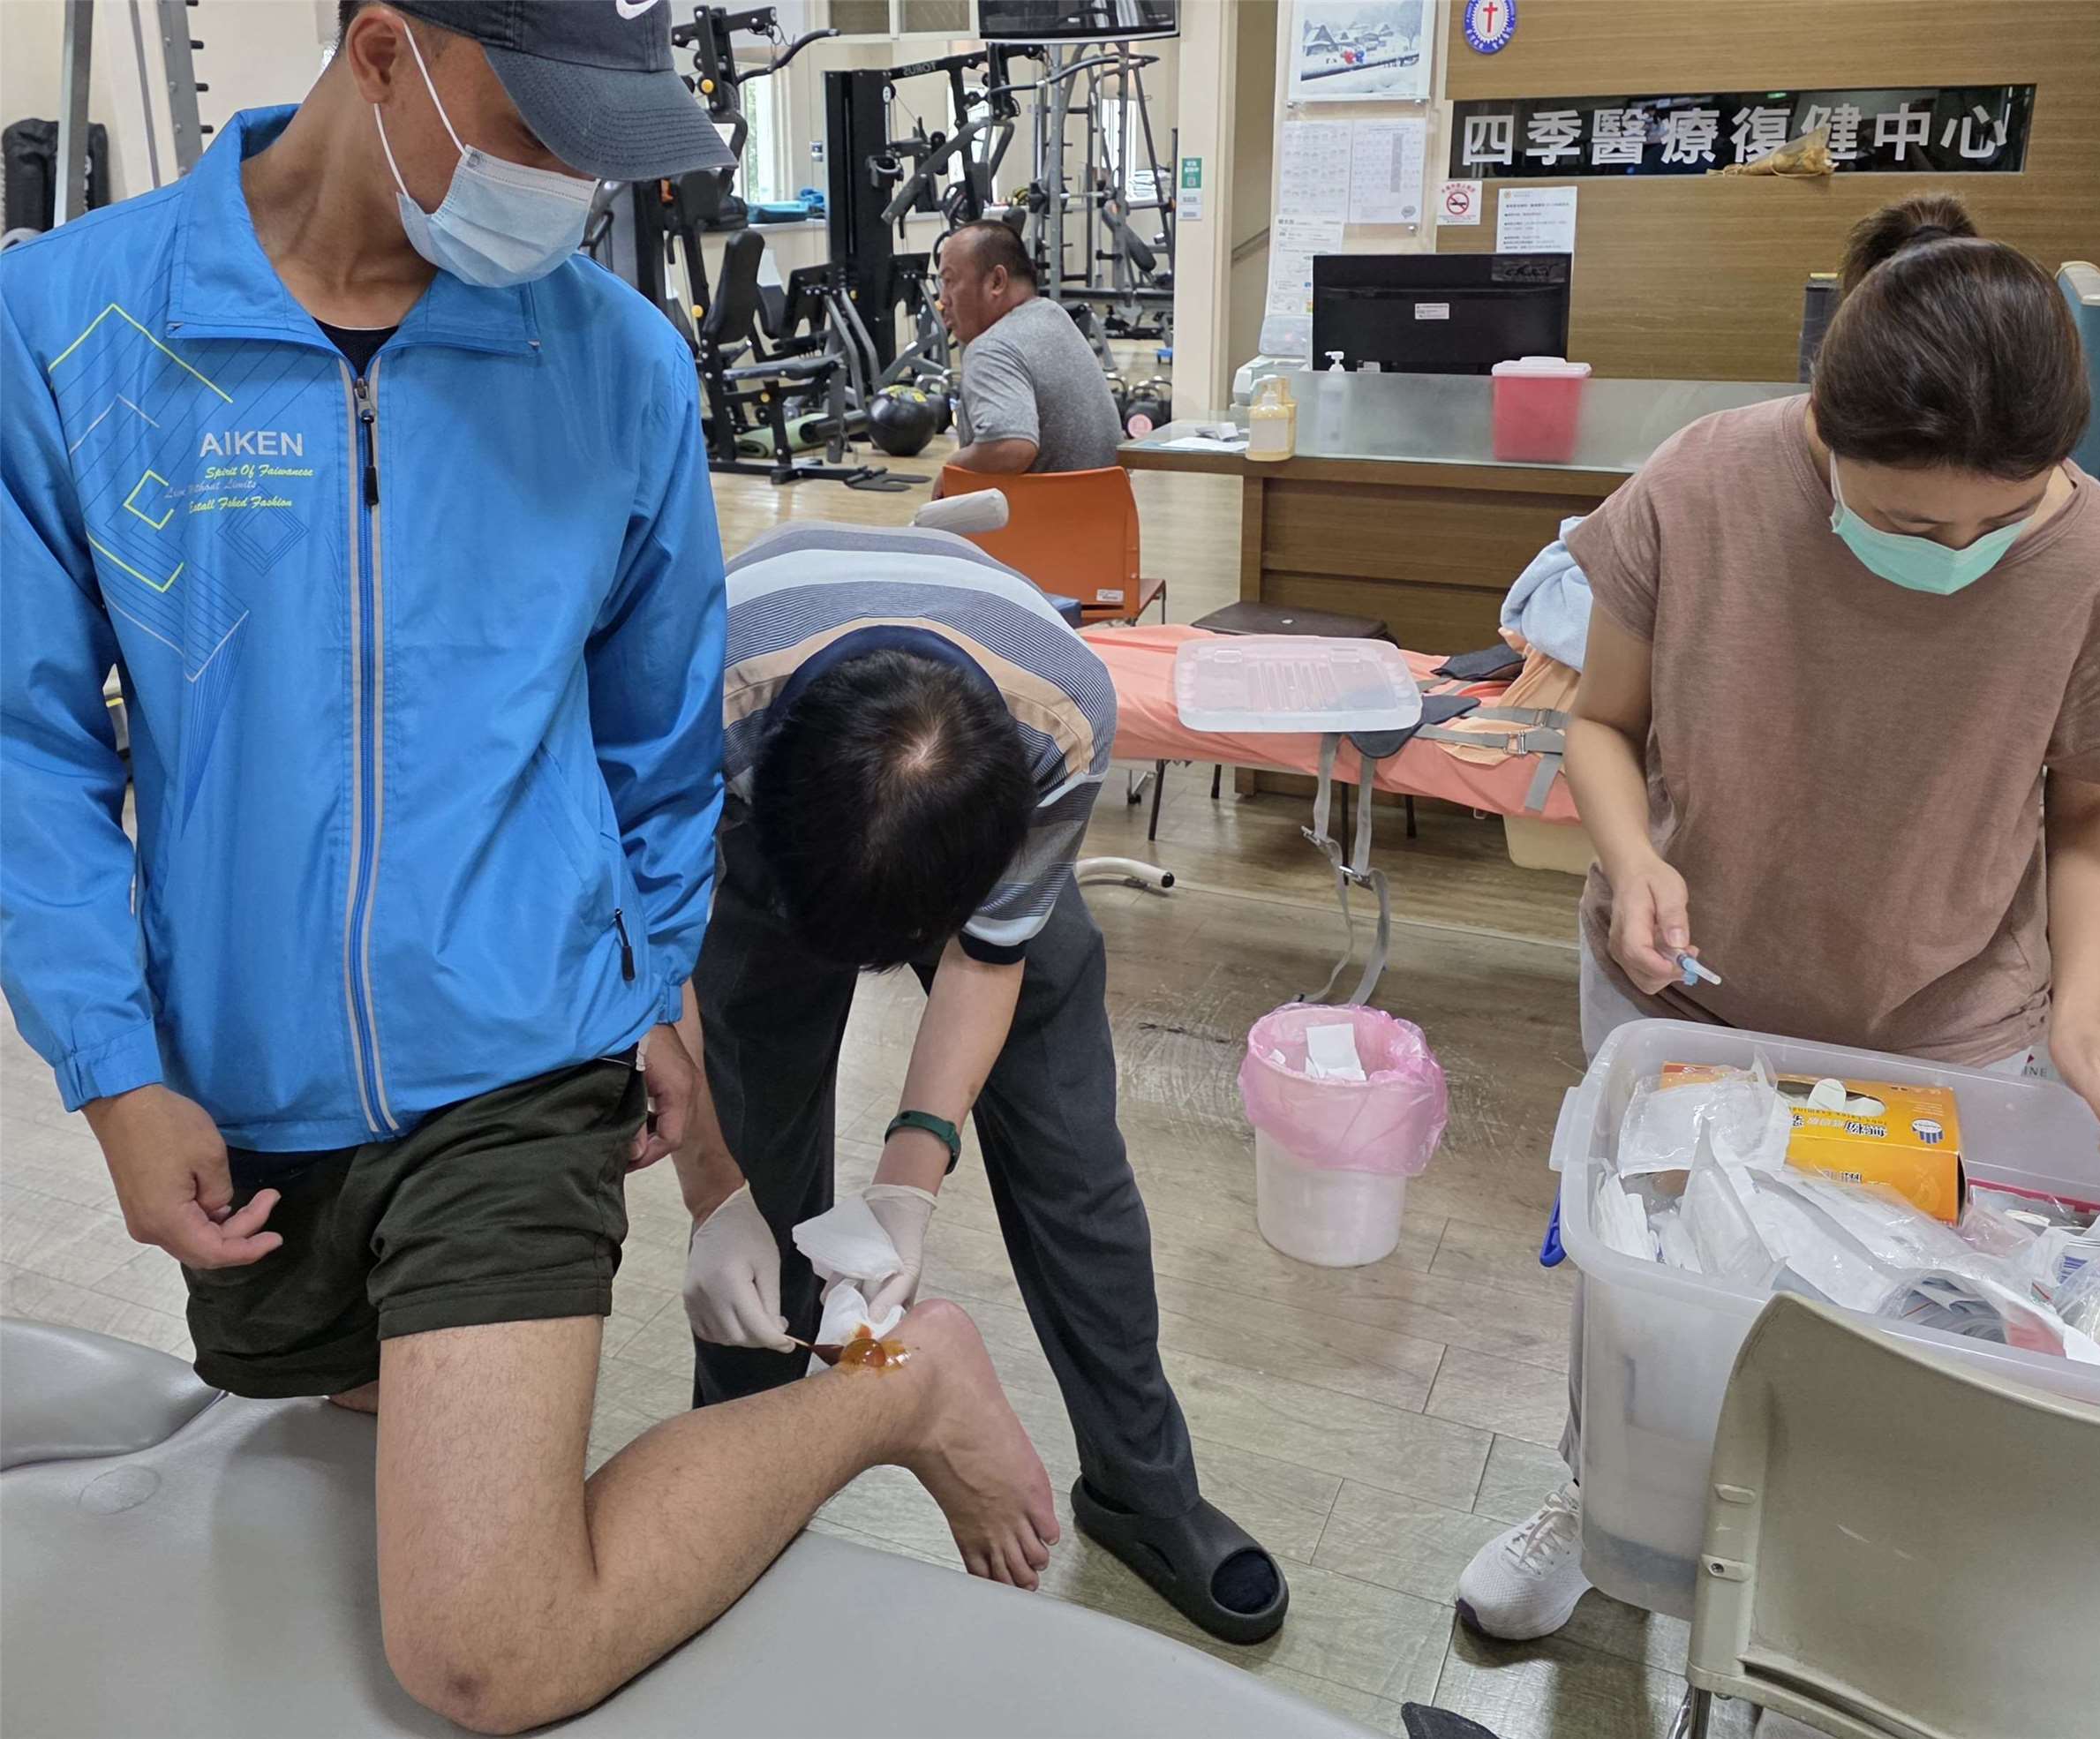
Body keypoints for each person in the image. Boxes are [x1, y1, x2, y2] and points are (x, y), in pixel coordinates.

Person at [0, 4, 1052, 1729]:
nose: (571, 187)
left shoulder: (613, 362)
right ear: (382, 52)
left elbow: (650, 747)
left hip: (523, 1047)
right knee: (341, 1530)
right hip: (246, 1068)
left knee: (477, 1647)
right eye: (540, 130)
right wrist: (112, 1067)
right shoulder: (69, 328)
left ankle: (901, 1389)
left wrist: (648, 991)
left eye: (604, 146)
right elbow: (28, 747)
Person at [1456, 192, 2100, 1642]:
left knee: (1889, 1319)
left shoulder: (2098, 559)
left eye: (2002, 519)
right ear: (1819, 429)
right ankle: (1603, 1505)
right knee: (1645, 1294)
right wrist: (1636, 855)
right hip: (1683, 991)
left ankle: (1824, 1574)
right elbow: (1601, 724)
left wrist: (2077, 1009)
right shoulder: (1705, 483)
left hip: (1940, 1021)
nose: (1956, 548)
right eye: (1909, 520)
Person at [678, 518, 1291, 1645]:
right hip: (748, 799)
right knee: (756, 1157)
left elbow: (989, 954)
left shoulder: (1064, 712)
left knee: (1075, 1163)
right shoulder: (681, 696)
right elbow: (646, 952)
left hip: (982, 767)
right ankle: (740, 1477)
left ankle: (1143, 1487)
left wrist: (909, 1176)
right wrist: (713, 1192)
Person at [935, 220, 1124, 476]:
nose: (942, 300)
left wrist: (952, 468)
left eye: (949, 281)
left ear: (997, 282)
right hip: (1109, 501)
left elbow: (1010, 448)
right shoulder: (1054, 316)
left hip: (1044, 503)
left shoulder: (992, 347)